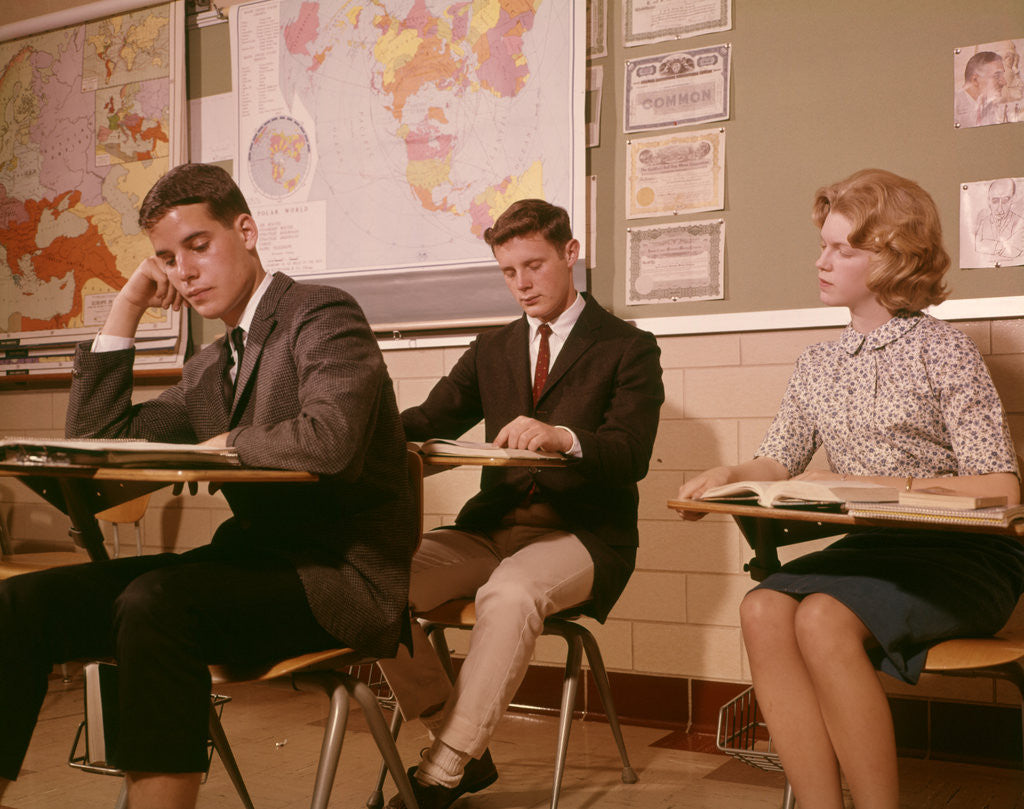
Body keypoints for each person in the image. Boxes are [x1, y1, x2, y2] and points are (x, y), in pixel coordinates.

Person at [0, 164, 417, 809]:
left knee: (155, 601)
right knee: (19, 604)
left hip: (336, 579)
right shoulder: (210, 365)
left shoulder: (322, 314)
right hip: (243, 569)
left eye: (199, 246)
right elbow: (96, 438)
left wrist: (228, 442)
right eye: (167, 258)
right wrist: (127, 308)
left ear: (245, 232)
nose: (184, 272)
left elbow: (330, 441)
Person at [677, 168, 1024, 809]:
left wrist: (885, 482)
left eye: (843, 249)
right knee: (761, 608)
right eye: (824, 245)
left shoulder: (942, 349)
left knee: (822, 619)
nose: (822, 261)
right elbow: (778, 461)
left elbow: (1002, 485)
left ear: (894, 257)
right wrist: (728, 476)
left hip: (961, 556)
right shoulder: (819, 363)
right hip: (873, 551)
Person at [378, 198, 664, 809]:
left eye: (534, 265)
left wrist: (564, 437)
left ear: (570, 253)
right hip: (491, 531)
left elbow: (631, 454)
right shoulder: (493, 348)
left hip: (583, 537)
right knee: (372, 581)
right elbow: (430, 418)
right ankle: (458, 739)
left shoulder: (627, 347)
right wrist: (349, 429)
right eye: (509, 272)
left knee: (508, 593)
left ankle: (444, 769)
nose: (523, 284)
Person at [973, 177, 1024, 263]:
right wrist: (1004, 245)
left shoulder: (1020, 222)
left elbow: (1015, 250)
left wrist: (987, 244)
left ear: (1012, 200)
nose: (1000, 209)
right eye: (995, 201)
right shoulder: (984, 222)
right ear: (988, 201)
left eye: (1005, 201)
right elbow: (977, 246)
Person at [954, 50, 1006, 127]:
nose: (1004, 82)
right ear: (975, 80)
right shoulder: (953, 105)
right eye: (997, 76)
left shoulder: (991, 107)